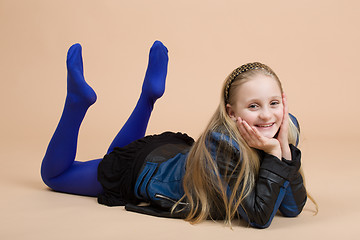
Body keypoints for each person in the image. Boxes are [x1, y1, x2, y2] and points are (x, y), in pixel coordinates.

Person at [41, 40, 316, 229]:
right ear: (231, 113)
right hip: (147, 171)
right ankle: (76, 103)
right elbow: (259, 217)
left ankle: (148, 97)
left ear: (284, 102)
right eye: (253, 106)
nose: (267, 115)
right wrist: (273, 154)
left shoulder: (282, 131)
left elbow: (292, 208)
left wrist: (283, 148)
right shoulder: (222, 146)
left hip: (171, 156)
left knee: (114, 157)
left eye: (274, 103)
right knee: (55, 176)